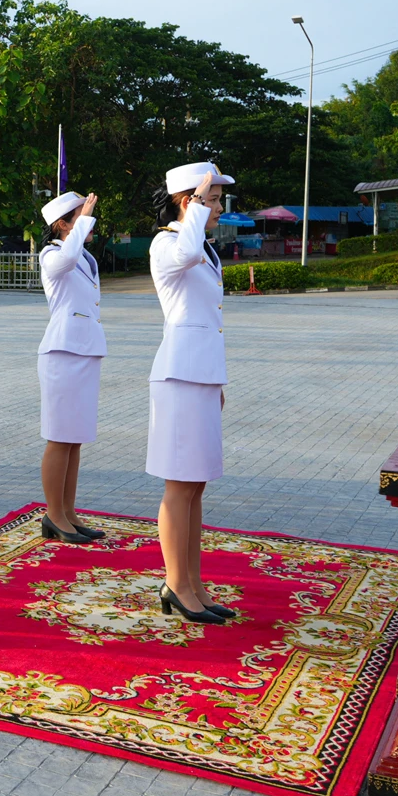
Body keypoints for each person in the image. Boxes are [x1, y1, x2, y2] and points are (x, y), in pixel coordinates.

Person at [147, 162, 236, 625]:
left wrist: (216, 380)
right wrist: (197, 209)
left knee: (196, 484)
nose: (219, 208)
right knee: (179, 485)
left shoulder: (199, 244)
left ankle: (193, 583)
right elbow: (183, 253)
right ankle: (176, 584)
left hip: (199, 376)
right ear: (189, 201)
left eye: (217, 200)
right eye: (213, 200)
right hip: (179, 377)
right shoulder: (167, 243)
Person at [36, 190, 107, 544]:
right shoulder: (51, 254)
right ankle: (53, 514)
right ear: (62, 225)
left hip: (84, 351)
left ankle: (68, 511)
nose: (90, 221)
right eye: (81, 216)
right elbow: (65, 259)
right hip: (62, 353)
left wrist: (83, 221)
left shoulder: (84, 256)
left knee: (75, 439)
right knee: (60, 437)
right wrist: (83, 222)